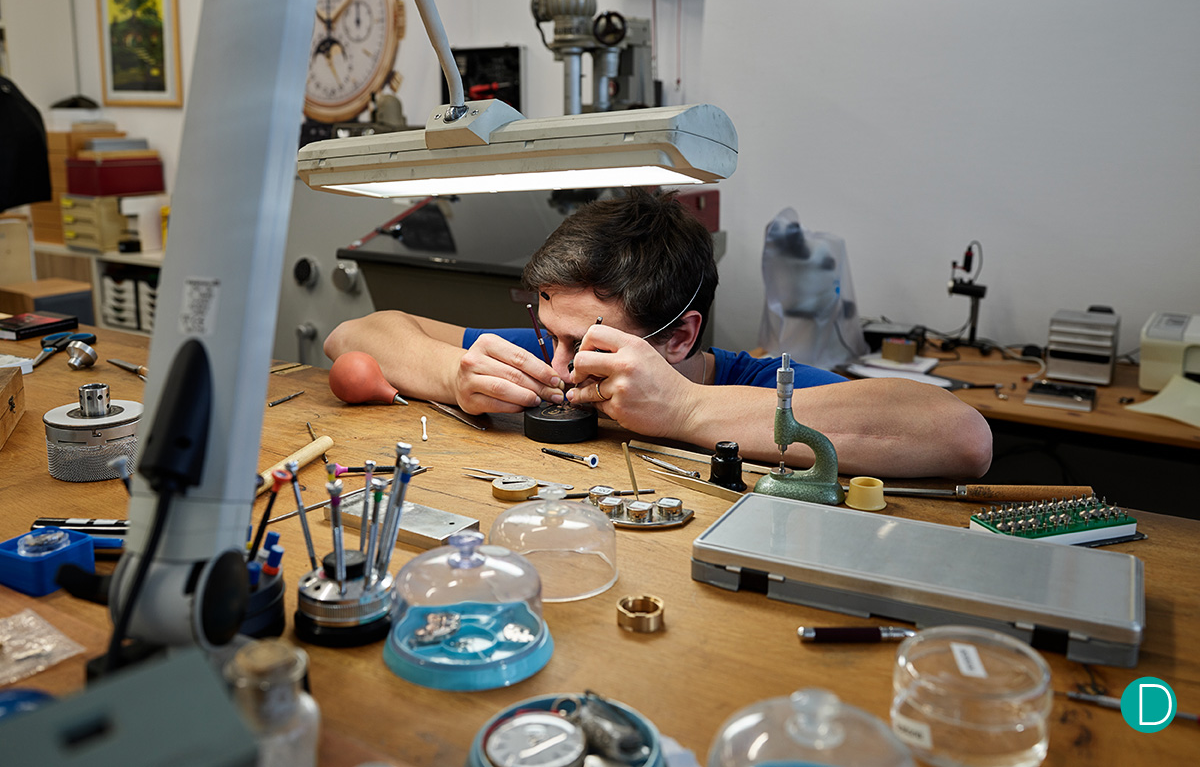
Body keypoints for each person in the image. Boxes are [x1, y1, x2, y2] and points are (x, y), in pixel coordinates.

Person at [324, 190, 992, 478]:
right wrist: (454, 374)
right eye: (548, 332)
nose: (560, 369)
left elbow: (962, 435)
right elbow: (353, 335)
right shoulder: (549, 355)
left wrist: (685, 410)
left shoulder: (754, 384)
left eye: (589, 344)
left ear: (678, 338)